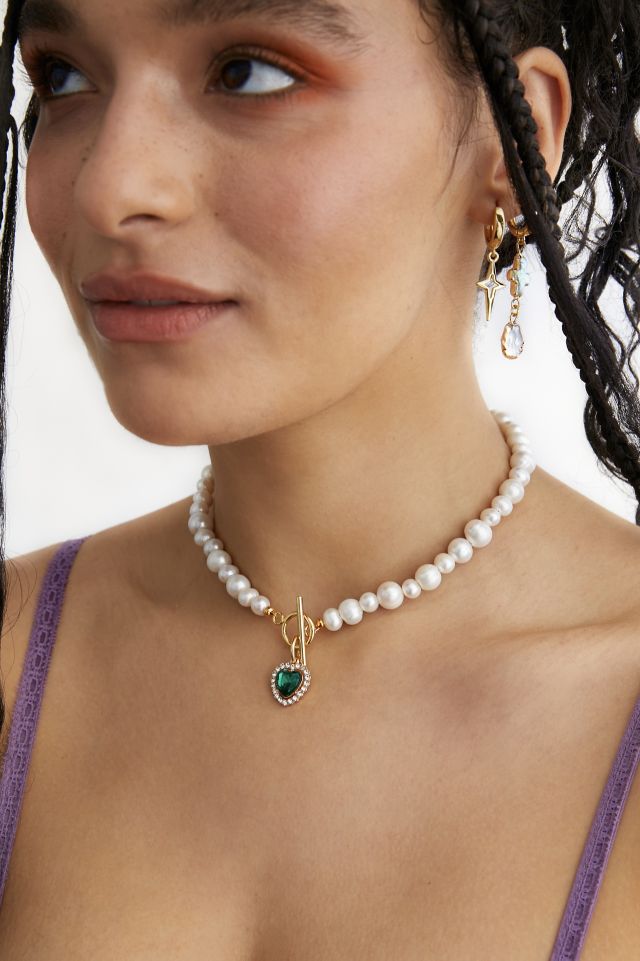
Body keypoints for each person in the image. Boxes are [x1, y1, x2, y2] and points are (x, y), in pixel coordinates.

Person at [0, 0, 638, 956]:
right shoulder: (14, 660)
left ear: (515, 143)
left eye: (249, 73)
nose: (111, 187)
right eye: (63, 77)